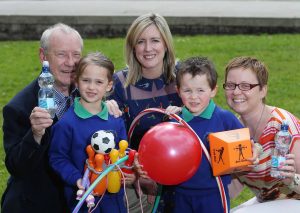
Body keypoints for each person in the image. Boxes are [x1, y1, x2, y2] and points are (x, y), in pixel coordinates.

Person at [1, 23, 83, 213]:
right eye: (61, 54)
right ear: (43, 56)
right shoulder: (19, 107)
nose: (70, 62)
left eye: (76, 55)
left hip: (79, 199)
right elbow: (16, 168)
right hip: (36, 204)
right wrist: (35, 134)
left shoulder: (88, 95)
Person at [108, 13, 182, 212]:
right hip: (136, 184)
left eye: (155, 40)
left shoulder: (184, 77)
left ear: (166, 44)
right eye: (141, 41)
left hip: (182, 178)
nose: (148, 49)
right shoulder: (119, 84)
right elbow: (115, 141)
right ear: (133, 47)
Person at [49, 52, 134, 212]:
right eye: (86, 80)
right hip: (83, 198)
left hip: (113, 198)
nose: (91, 87)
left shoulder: (115, 118)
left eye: (99, 82)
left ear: (109, 85)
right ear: (76, 81)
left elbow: (123, 150)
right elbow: (57, 158)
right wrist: (77, 179)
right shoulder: (66, 124)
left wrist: (128, 166)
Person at [161, 56, 243, 213]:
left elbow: (247, 148)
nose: (193, 97)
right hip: (180, 194)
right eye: (187, 90)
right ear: (178, 91)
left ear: (213, 91)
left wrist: (255, 151)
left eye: (200, 90)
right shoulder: (174, 121)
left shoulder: (225, 119)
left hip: (214, 194)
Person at [223, 56, 300, 211]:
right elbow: (232, 188)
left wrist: (291, 179)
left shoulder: (283, 126)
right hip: (268, 202)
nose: (236, 91)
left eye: (245, 86)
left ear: (263, 90)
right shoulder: (234, 132)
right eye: (231, 85)